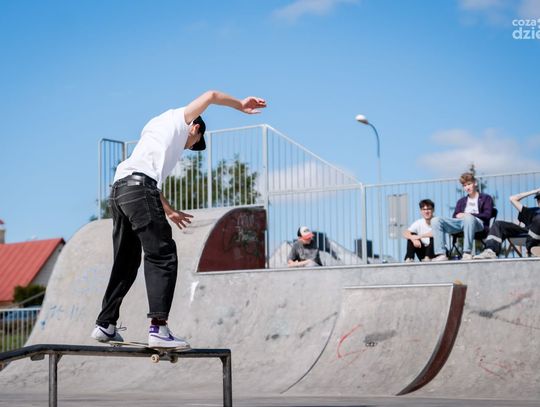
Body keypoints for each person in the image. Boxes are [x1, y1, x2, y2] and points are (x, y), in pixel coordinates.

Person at [90, 90, 267, 348]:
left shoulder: (154, 127)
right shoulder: (182, 120)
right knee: (163, 255)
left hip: (120, 191)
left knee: (126, 261)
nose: (189, 147)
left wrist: (170, 211)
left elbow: (146, 177)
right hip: (140, 190)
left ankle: (105, 324)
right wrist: (240, 104)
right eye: (193, 143)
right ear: (195, 128)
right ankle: (158, 328)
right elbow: (211, 95)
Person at [431, 172, 494, 261]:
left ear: (475, 183)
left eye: (469, 184)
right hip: (461, 223)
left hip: (479, 224)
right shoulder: (461, 201)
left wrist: (468, 215)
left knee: (468, 218)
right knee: (435, 220)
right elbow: (455, 216)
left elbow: (487, 215)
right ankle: (441, 254)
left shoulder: (486, 198)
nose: (467, 187)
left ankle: (467, 253)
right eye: (464, 185)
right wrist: (460, 216)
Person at [474, 189, 540, 259]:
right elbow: (512, 199)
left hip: (534, 240)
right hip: (528, 234)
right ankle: (490, 250)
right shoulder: (531, 212)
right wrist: (535, 191)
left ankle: (532, 248)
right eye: (538, 199)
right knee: (499, 224)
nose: (539, 201)